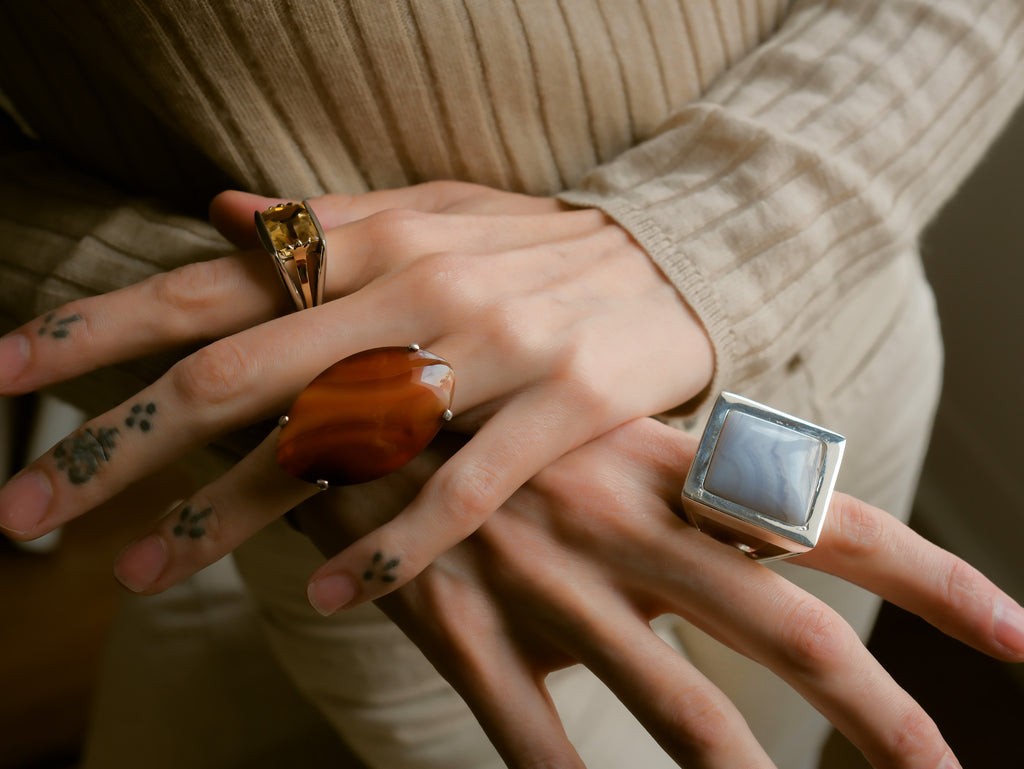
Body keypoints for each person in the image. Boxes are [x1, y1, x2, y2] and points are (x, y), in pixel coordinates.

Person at [0, 1, 1021, 767]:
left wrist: (690, 240)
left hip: (840, 316)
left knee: (788, 723)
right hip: (411, 514)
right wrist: (303, 371)